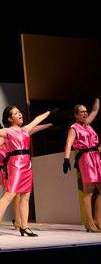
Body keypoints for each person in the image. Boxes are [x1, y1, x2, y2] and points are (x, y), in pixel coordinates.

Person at [0, 105, 51, 239]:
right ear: (10, 118)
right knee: (9, 195)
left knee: (26, 196)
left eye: (19, 112)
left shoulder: (25, 129)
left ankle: (24, 226)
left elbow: (37, 120)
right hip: (16, 163)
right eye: (16, 113)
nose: (20, 114)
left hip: (27, 163)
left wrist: (48, 111)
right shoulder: (7, 132)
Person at [64, 98, 101, 232]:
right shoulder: (74, 128)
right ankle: (89, 222)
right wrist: (66, 159)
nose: (85, 114)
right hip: (86, 158)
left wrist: (97, 97)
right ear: (76, 115)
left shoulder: (87, 124)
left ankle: (98, 220)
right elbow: (68, 143)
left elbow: (96, 110)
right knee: (89, 190)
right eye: (82, 112)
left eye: (86, 112)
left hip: (96, 157)